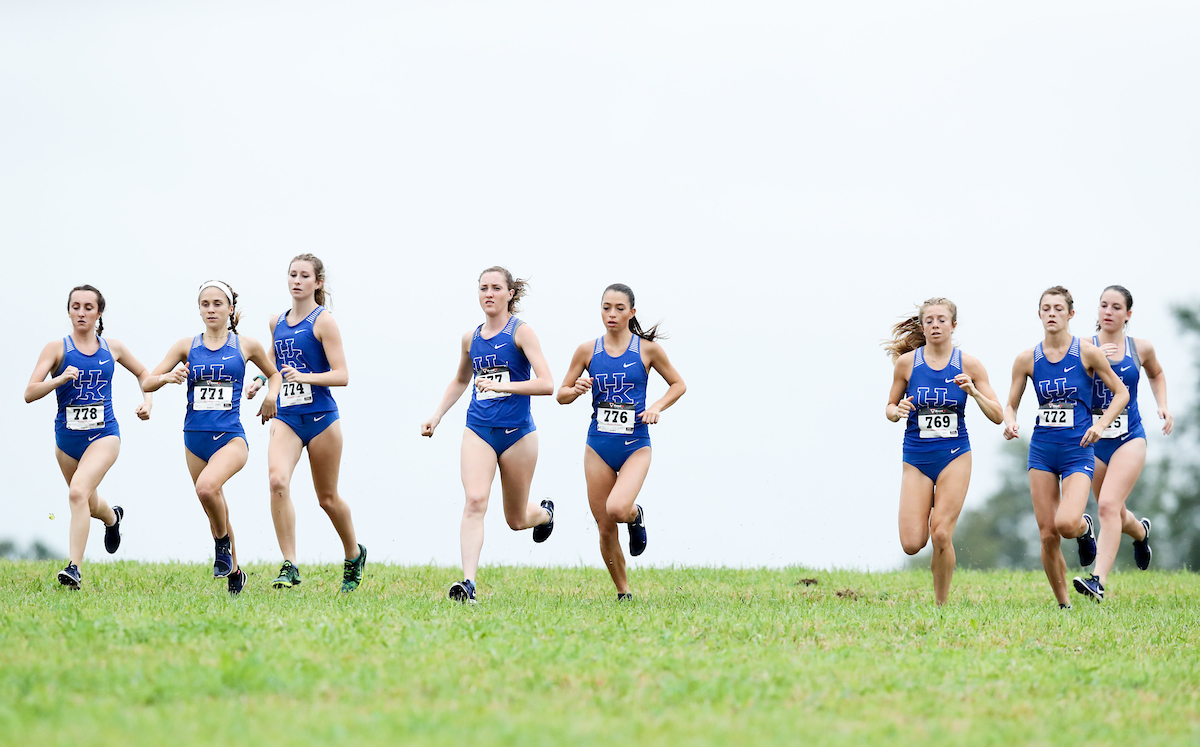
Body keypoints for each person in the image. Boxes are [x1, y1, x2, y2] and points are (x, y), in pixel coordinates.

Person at [421, 267, 556, 603]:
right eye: (484, 288)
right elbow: (460, 380)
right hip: (478, 430)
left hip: (518, 436)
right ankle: (468, 584)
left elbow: (546, 384)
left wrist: (503, 385)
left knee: (516, 519)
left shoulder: (521, 333)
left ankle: (544, 514)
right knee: (476, 501)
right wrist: (436, 416)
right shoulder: (472, 338)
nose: (489, 294)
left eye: (497, 288)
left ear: (511, 293)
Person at [143, 280, 281, 595]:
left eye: (218, 304)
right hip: (194, 439)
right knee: (212, 501)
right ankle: (234, 571)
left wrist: (270, 396)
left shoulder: (246, 345)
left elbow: (273, 373)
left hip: (231, 438)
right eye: (205, 304)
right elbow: (148, 382)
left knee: (207, 488)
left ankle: (221, 545)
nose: (211, 309)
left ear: (230, 308)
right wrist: (168, 377)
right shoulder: (185, 345)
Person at [245, 254, 367, 593]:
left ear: (318, 283)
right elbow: (272, 361)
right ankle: (290, 564)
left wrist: (306, 377)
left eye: (304, 276)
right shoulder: (276, 322)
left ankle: (353, 554)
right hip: (286, 417)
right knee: (277, 480)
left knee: (327, 498)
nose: (296, 280)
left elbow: (342, 375)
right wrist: (260, 378)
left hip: (322, 419)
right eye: (292, 274)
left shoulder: (323, 321)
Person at [556, 283, 686, 600]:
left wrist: (655, 407)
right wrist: (575, 390)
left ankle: (635, 515)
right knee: (604, 525)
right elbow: (561, 394)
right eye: (606, 307)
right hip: (598, 446)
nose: (611, 314)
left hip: (635, 446)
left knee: (617, 509)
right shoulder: (587, 351)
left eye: (618, 308)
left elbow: (678, 385)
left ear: (631, 312)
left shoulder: (647, 350)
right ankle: (623, 592)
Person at [1003, 286, 1128, 609]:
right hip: (1042, 450)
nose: (1052, 314)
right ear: (1040, 314)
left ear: (1071, 314)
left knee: (1065, 523)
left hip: (1078, 449)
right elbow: (1011, 405)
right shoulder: (1026, 359)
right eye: (1046, 308)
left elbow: (1121, 393)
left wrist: (1100, 425)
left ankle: (1084, 528)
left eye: (1059, 308)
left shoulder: (1086, 352)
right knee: (1047, 534)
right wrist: (1010, 421)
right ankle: (1063, 605)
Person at [24, 285, 154, 589]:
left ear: (99, 313)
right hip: (67, 441)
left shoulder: (113, 348)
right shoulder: (56, 349)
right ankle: (112, 518)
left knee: (76, 492)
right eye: (75, 307)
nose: (81, 313)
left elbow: (144, 374)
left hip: (104, 436)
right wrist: (59, 378)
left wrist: (148, 403)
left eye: (88, 307)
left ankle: (74, 568)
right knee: (87, 500)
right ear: (69, 311)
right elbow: (30, 393)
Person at [884, 298, 1004, 605]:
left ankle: (940, 605)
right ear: (922, 326)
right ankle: (929, 502)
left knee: (941, 534)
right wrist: (897, 411)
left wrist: (974, 392)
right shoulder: (907, 363)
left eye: (941, 320)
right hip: (916, 457)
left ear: (953, 325)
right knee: (912, 544)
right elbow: (889, 407)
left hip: (954, 455)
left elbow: (998, 415)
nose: (935, 325)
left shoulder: (970, 365)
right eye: (930, 321)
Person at [1072, 285, 1172, 602]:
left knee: (1106, 507)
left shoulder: (1140, 348)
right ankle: (1140, 532)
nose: (1108, 312)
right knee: (1115, 511)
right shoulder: (1082, 347)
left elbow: (1156, 374)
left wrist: (1163, 405)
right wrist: (1095, 360)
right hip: (1094, 438)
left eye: (1116, 307)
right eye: (1104, 305)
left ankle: (1097, 581)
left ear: (1128, 315)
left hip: (1129, 437)